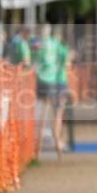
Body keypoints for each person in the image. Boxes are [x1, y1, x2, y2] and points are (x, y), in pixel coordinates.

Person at [33, 24, 71, 158]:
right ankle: (58, 142)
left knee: (45, 113)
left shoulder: (44, 44)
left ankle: (43, 145)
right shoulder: (59, 46)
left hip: (47, 81)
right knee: (58, 115)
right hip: (59, 82)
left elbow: (36, 52)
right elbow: (67, 61)